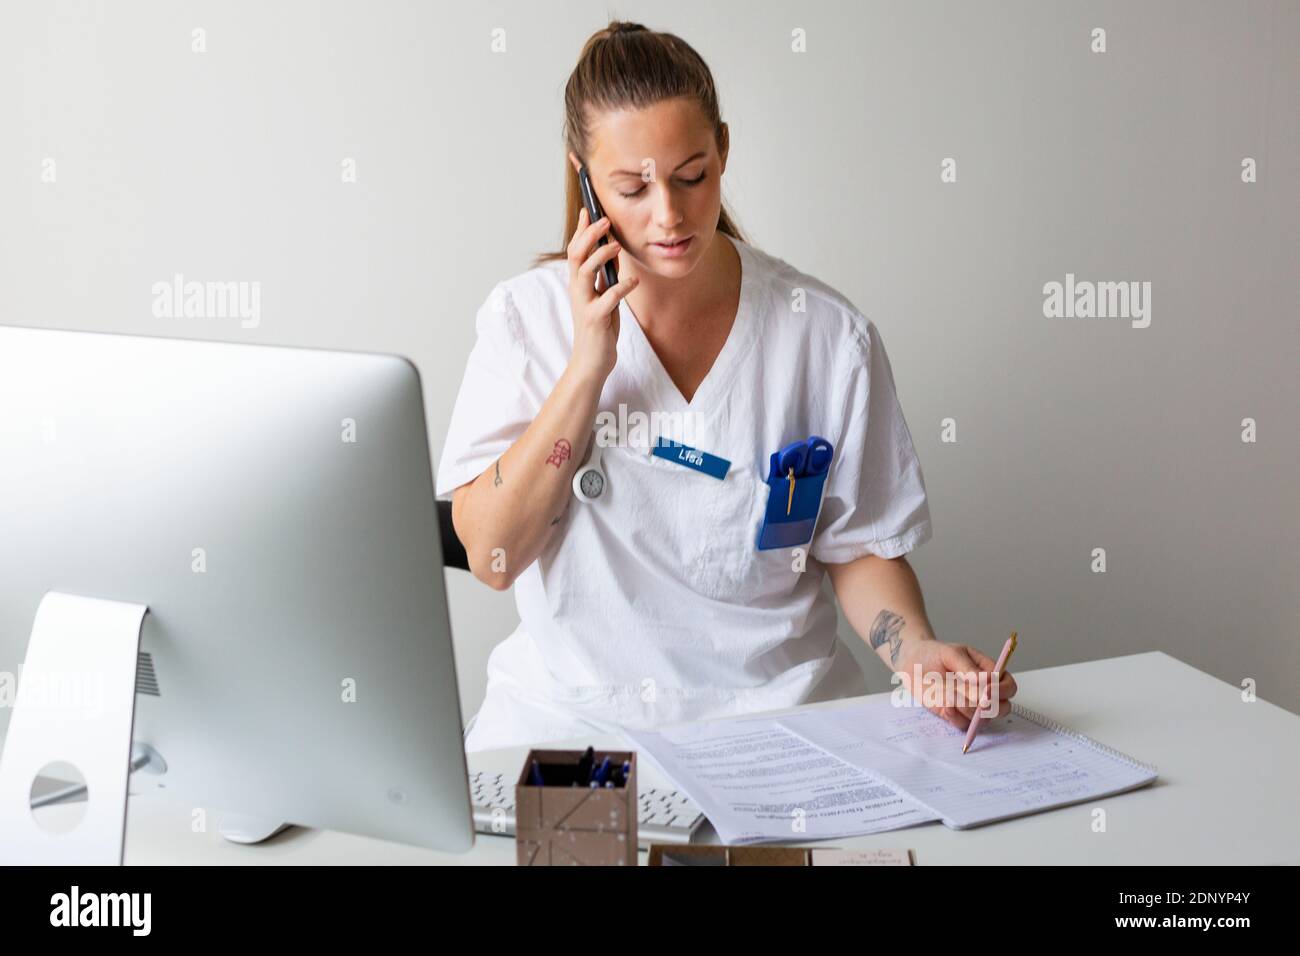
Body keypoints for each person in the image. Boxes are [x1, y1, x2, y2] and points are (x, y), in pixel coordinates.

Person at [436, 20, 1016, 753]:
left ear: (724, 151)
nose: (669, 216)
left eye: (691, 175)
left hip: (780, 720)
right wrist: (588, 367)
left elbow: (859, 547)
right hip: (571, 721)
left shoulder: (826, 336)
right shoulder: (527, 321)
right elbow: (490, 554)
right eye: (632, 187)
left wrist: (916, 653)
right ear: (584, 177)